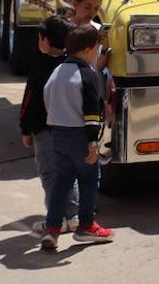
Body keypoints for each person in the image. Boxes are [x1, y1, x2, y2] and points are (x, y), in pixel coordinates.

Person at [40, 23, 114, 252]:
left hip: (58, 135)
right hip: (80, 135)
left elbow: (47, 100)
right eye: (98, 50)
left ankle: (52, 230)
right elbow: (91, 112)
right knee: (90, 178)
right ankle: (86, 226)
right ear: (88, 49)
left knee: (62, 183)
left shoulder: (57, 71)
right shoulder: (87, 74)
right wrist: (93, 142)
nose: (98, 55)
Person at [19, 15, 78, 234]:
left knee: (49, 175)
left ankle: (56, 219)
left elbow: (30, 101)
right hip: (71, 129)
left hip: (44, 131)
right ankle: (73, 216)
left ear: (43, 40)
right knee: (69, 173)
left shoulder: (40, 67)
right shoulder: (73, 65)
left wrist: (25, 128)